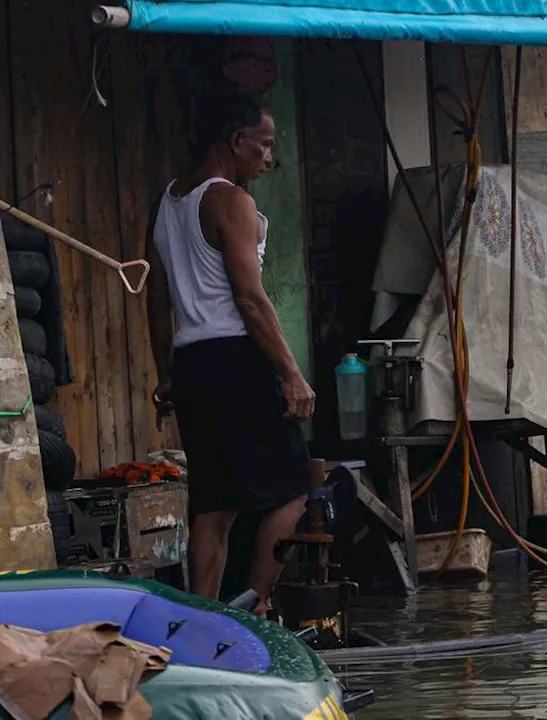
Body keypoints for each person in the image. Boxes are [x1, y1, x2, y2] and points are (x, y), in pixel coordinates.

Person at [146, 92, 314, 617]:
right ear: (236, 142)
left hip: (193, 364)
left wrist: (166, 371)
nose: (269, 158)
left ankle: (202, 622)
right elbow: (250, 298)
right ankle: (255, 609)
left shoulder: (169, 202)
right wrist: (291, 372)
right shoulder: (230, 201)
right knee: (296, 488)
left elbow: (155, 296)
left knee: (213, 506)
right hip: (238, 360)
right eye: (263, 146)